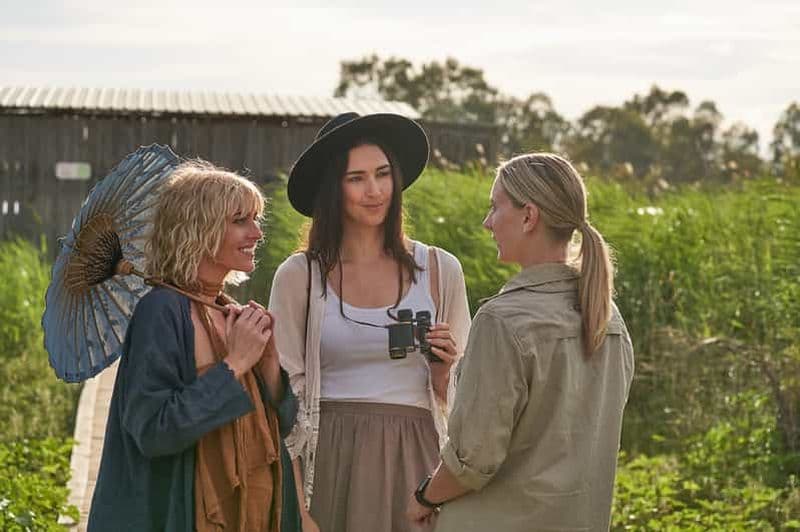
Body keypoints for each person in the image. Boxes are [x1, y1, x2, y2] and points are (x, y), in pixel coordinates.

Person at [407, 153, 635, 532]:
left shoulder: (503, 320)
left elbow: (472, 463)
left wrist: (423, 498)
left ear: (528, 217)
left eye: (495, 207)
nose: (487, 222)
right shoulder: (608, 317)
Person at [268, 112, 472, 532]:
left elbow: (466, 401)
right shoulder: (299, 276)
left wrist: (443, 373)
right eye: (356, 178)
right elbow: (280, 403)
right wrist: (297, 511)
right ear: (332, 188)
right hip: (328, 462)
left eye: (382, 174)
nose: (375, 190)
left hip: (418, 463)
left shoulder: (439, 270)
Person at [88, 160, 301, 531]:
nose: (257, 232)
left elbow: (281, 427)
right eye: (240, 220)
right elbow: (153, 431)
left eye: (256, 220)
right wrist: (234, 364)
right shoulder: (161, 312)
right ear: (197, 229)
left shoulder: (227, 311)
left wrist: (267, 364)